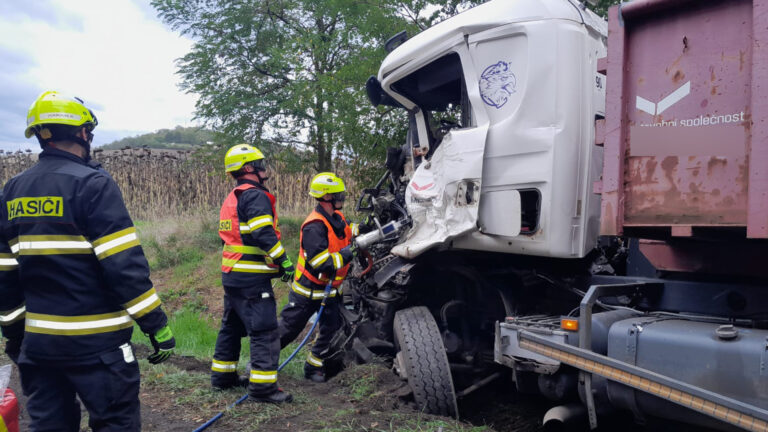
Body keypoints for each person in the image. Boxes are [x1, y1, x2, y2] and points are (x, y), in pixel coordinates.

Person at [0, 91, 175, 431]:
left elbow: (4, 274)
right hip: (99, 346)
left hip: (39, 348)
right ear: (83, 133)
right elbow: (123, 266)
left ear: (39, 134)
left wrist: (15, 334)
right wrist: (155, 324)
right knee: (115, 423)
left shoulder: (11, 191)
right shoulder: (93, 184)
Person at [211, 144, 295, 403]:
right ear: (249, 168)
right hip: (251, 278)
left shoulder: (234, 195)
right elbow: (263, 234)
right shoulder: (255, 195)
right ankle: (263, 389)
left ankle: (223, 378)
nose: (263, 167)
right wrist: (284, 261)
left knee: (232, 326)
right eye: (260, 163)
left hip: (233, 274)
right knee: (265, 330)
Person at [278, 172, 359, 383]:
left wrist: (362, 231)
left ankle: (313, 367)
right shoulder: (314, 226)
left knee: (331, 330)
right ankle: (261, 362)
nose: (342, 197)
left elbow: (347, 234)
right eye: (338, 194)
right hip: (307, 291)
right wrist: (348, 254)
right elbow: (320, 263)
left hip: (331, 291)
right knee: (288, 329)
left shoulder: (337, 218)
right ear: (326, 197)